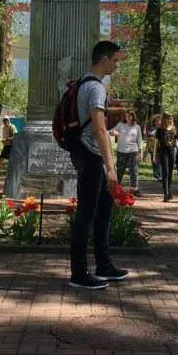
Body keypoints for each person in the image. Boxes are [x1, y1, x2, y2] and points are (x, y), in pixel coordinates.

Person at [68, 41, 128, 290]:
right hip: (91, 156)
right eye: (115, 60)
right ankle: (79, 273)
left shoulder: (85, 83)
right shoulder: (96, 88)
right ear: (104, 59)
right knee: (86, 214)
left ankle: (103, 265)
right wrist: (111, 167)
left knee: (104, 209)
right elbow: (100, 129)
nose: (117, 64)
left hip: (89, 154)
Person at [110, 109, 143, 196]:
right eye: (126, 116)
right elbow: (110, 132)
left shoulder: (137, 127)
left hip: (133, 151)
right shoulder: (121, 125)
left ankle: (135, 189)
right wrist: (114, 132)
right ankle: (117, 188)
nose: (128, 118)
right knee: (120, 170)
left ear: (133, 116)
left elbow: (139, 140)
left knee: (134, 170)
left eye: (129, 116)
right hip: (121, 151)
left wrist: (141, 152)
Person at [155, 112, 177, 202]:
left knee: (170, 173)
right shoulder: (160, 130)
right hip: (163, 153)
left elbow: (176, 142)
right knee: (165, 173)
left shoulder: (174, 129)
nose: (170, 120)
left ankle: (169, 191)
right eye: (168, 119)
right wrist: (154, 156)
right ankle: (166, 193)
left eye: (171, 118)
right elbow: (156, 144)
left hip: (172, 152)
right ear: (164, 119)